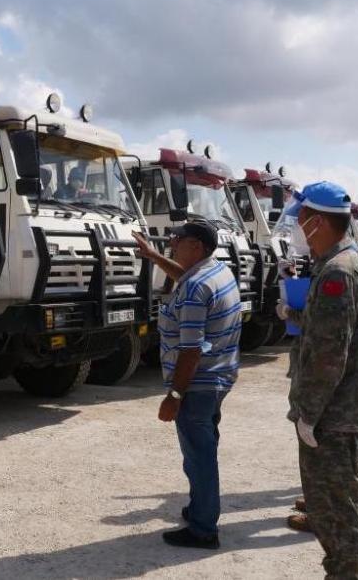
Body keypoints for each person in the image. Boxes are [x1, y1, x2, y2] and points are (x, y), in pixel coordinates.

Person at [276, 181, 358, 580]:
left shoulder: (338, 272)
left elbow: (329, 356)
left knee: (338, 516)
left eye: (300, 220)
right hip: (334, 414)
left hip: (332, 418)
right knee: (327, 508)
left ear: (317, 221)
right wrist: (292, 313)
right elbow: (327, 332)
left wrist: (308, 414)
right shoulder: (337, 264)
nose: (297, 228)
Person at [133, 221, 242, 550]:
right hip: (219, 377)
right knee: (203, 448)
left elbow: (191, 351)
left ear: (196, 246)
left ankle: (203, 529)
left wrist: (175, 395)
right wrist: (154, 257)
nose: (171, 242)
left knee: (199, 456)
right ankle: (200, 509)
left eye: (177, 240)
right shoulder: (216, 272)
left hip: (198, 384)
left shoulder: (195, 289)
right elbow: (186, 275)